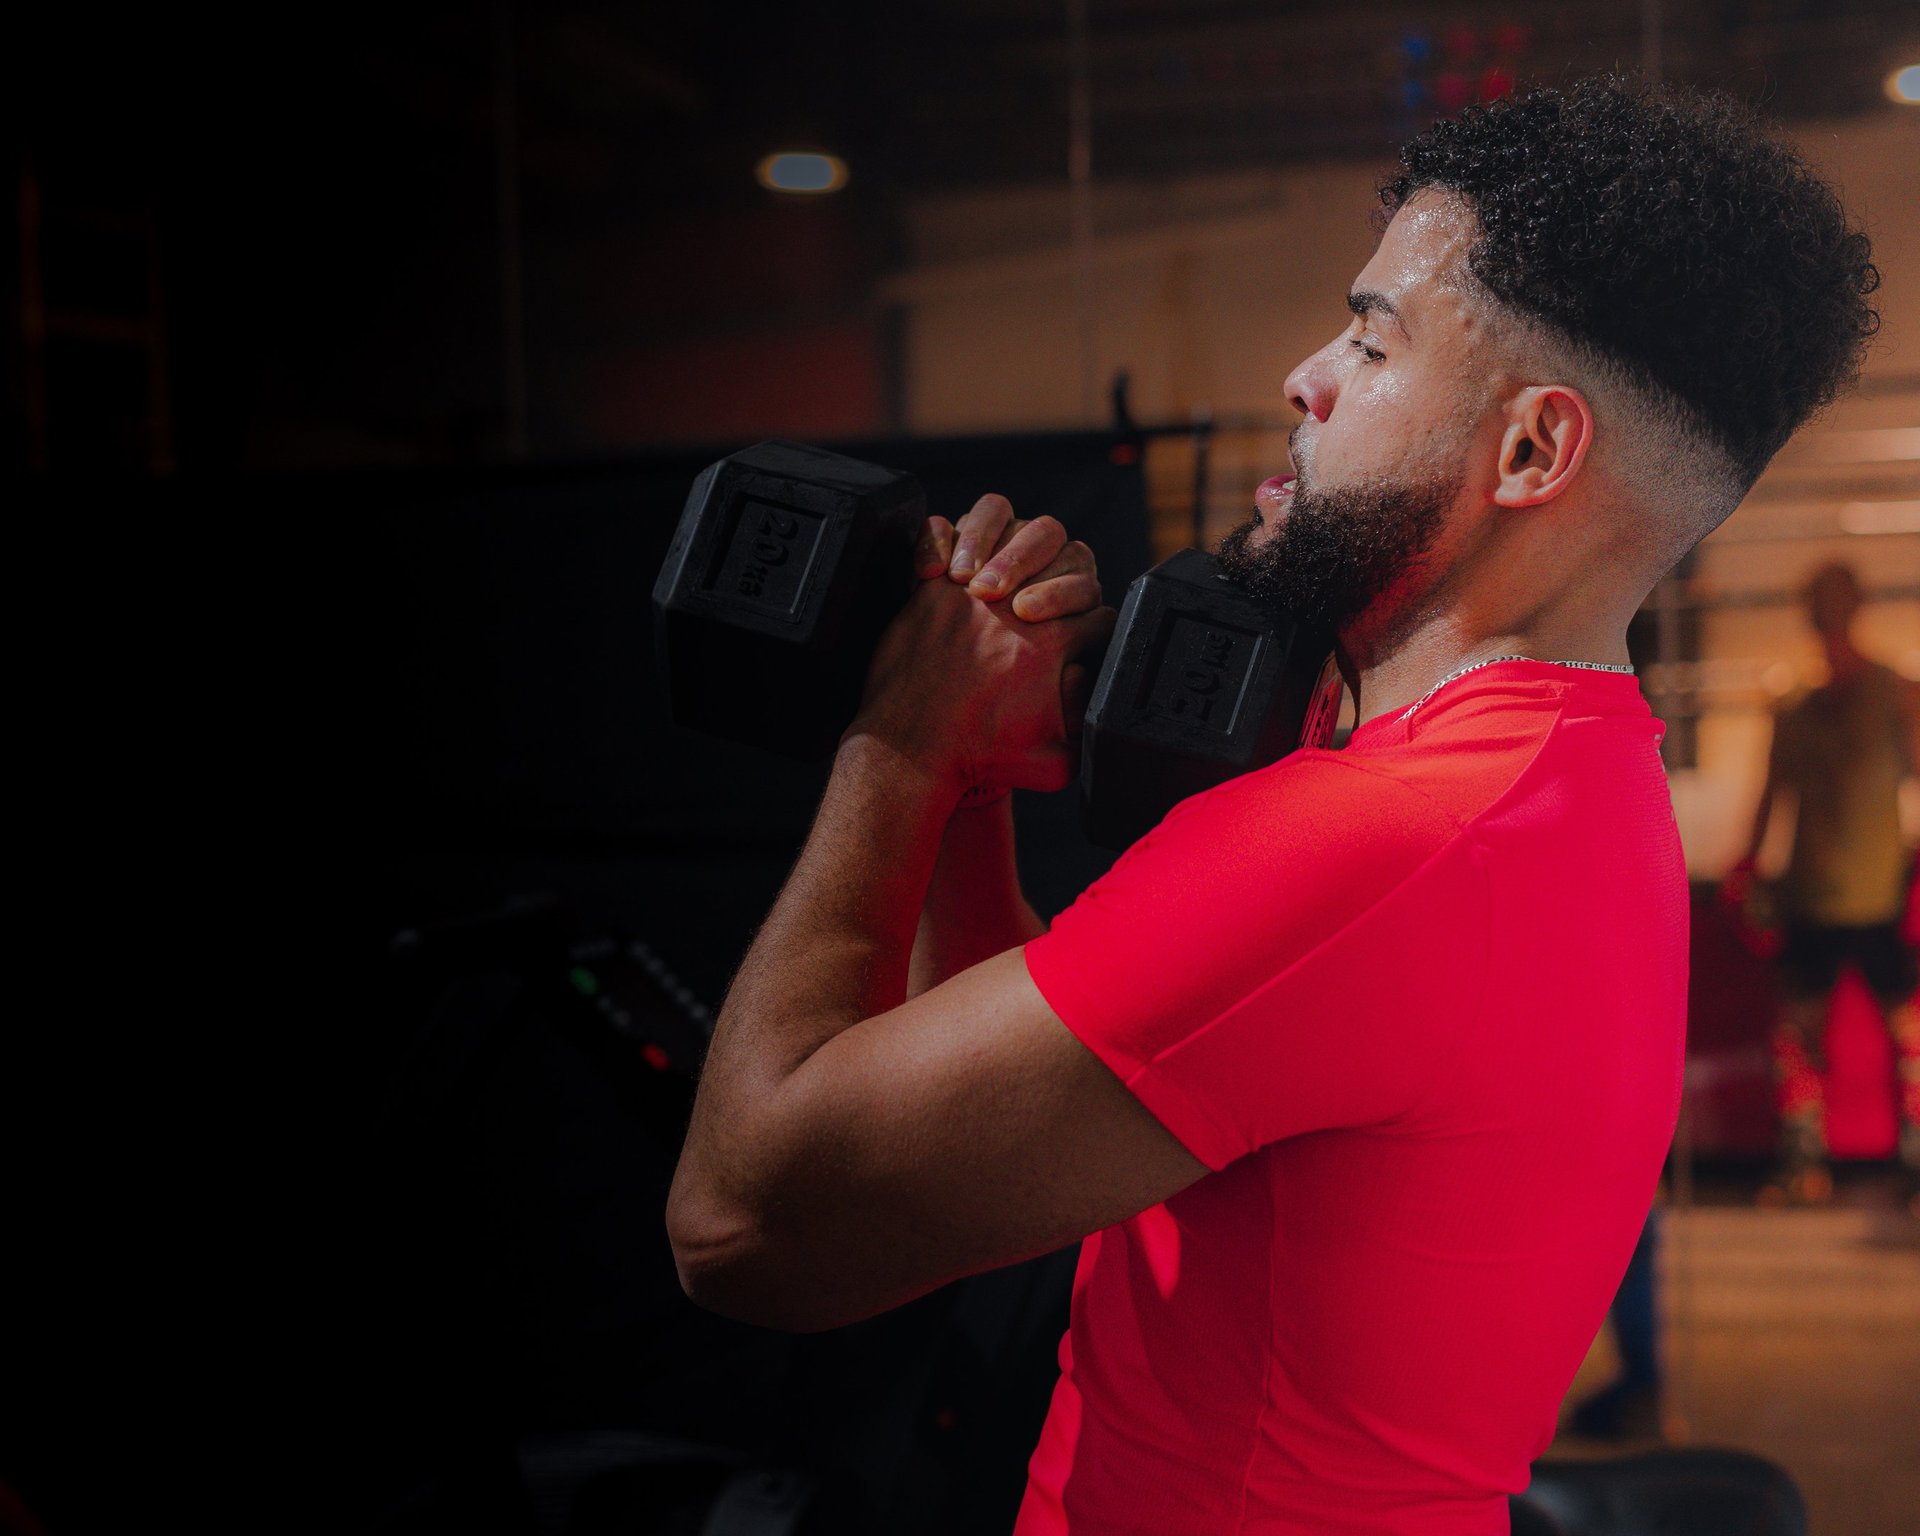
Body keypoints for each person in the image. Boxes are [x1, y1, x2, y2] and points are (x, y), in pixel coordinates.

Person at [667, 78, 1879, 1533]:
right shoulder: (1561, 779)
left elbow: (747, 1227)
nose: (1308, 375)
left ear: (1532, 453)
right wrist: (972, 778)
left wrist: (900, 746)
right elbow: (1000, 1139)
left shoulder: (1376, 847)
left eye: (1372, 340)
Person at [1735, 561, 1919, 1206]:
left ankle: (1915, 1165)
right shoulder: (1794, 705)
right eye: (1817, 599)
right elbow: (1772, 793)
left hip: (1879, 893)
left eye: (1835, 598)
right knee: (1798, 1037)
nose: (1826, 611)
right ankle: (1803, 1167)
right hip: (1808, 893)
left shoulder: (1895, 691)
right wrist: (1748, 867)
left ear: (1857, 603)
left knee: (1908, 1033)